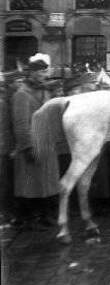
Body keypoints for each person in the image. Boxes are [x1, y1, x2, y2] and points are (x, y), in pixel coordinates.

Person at [11, 54, 59, 230]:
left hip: (47, 144)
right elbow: (21, 123)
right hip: (31, 145)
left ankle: (45, 216)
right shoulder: (21, 94)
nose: (42, 75)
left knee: (46, 183)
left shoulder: (46, 92)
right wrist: (26, 146)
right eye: (38, 72)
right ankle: (30, 219)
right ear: (30, 73)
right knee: (30, 185)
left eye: (44, 71)